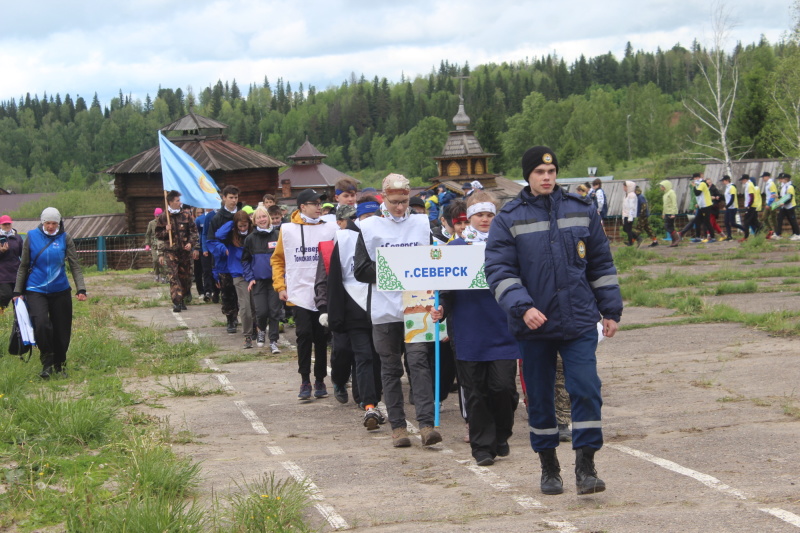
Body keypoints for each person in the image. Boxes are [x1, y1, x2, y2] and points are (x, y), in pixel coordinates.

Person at [485, 146, 622, 496]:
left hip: (578, 322)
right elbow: (499, 272)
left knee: (587, 390)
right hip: (534, 326)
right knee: (541, 399)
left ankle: (586, 467)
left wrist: (611, 310)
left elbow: (601, 265)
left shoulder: (582, 210)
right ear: (527, 177)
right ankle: (549, 467)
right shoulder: (509, 218)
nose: (546, 177)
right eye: (539, 173)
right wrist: (522, 307)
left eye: (551, 172)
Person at [431, 191, 520, 466]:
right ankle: (482, 447)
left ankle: (501, 433)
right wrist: (442, 308)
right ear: (469, 217)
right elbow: (445, 288)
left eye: (490, 215)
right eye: (480, 215)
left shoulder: (507, 246)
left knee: (503, 388)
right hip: (468, 329)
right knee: (475, 392)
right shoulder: (455, 248)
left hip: (502, 327)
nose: (485, 219)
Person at [354, 173, 442, 448]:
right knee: (390, 369)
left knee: (418, 364)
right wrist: (394, 268)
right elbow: (360, 270)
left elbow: (433, 258)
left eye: (404, 201)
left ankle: (427, 424)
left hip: (416, 306)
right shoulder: (369, 228)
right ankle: (399, 427)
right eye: (394, 202)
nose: (400, 207)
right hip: (385, 309)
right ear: (384, 198)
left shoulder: (420, 224)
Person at [314, 204, 385, 429]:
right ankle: (369, 404)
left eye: (373, 216)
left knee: (378, 358)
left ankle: (374, 396)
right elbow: (334, 278)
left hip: (381, 307)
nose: (367, 221)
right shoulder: (343, 241)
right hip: (353, 310)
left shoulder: (385, 237)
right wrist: (331, 311)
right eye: (363, 217)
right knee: (362, 356)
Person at [271, 189, 338, 400]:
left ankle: (320, 379)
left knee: (321, 337)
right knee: (304, 336)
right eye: (314, 203)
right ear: (302, 207)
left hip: (323, 293)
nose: (319, 207)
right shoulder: (288, 230)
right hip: (298, 292)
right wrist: (280, 286)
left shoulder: (331, 227)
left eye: (320, 203)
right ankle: (304, 380)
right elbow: (278, 259)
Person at [13, 207, 87, 378]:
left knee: (62, 330)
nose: (52, 226)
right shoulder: (31, 237)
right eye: (48, 223)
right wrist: (17, 291)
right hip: (35, 289)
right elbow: (23, 266)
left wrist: (80, 288)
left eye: (55, 223)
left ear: (59, 222)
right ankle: (47, 362)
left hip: (60, 289)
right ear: (42, 222)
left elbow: (74, 265)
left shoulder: (65, 238)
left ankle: (60, 365)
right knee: (41, 325)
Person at [242, 205, 283, 353]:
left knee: (274, 311)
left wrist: (284, 278)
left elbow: (284, 258)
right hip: (258, 281)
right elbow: (245, 261)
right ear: (254, 220)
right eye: (258, 217)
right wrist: (250, 277)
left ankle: (273, 341)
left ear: (269, 218)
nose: (262, 219)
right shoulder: (250, 239)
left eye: (264, 216)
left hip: (275, 281)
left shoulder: (278, 235)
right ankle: (260, 331)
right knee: (261, 311)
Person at [216, 210, 256, 348]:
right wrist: (231, 224)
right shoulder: (230, 235)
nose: (243, 229)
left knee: (255, 306)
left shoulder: (253, 234)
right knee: (245, 307)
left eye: (245, 225)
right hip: (239, 274)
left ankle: (257, 329)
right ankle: (248, 336)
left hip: (254, 273)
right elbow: (218, 235)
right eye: (240, 226)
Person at [156, 191, 199, 313]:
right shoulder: (164, 217)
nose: (179, 203)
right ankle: (176, 301)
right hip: (171, 252)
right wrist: (165, 230)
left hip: (185, 252)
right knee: (173, 277)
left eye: (179, 200)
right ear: (170, 202)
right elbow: (158, 235)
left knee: (185, 277)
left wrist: (190, 243)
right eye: (177, 200)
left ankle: (183, 297)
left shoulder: (186, 216)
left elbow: (194, 232)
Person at [207, 185, 242, 333]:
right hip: (225, 261)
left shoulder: (242, 215)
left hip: (240, 259)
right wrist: (223, 249)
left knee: (241, 290)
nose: (234, 201)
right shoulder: (217, 218)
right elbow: (211, 240)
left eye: (236, 197)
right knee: (227, 291)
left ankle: (243, 316)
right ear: (224, 198)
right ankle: (230, 319)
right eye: (231, 198)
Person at [0, 215, 23, 311]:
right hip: (2, 273)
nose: (6, 225)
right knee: (6, 294)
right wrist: (1, 251)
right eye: (4, 224)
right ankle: (1, 310)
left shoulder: (17, 237)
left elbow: (22, 253)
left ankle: (18, 321)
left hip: (16, 271)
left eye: (8, 223)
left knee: (18, 298)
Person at [772, 173, 800, 240]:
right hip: (784, 207)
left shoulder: (790, 187)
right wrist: (778, 197)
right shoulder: (784, 186)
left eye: (781, 179)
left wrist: (783, 203)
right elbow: (784, 197)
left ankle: (797, 234)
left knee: (792, 220)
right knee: (779, 219)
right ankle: (778, 234)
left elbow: (789, 198)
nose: (780, 180)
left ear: (785, 179)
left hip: (790, 206)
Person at [720, 176, 744, 241]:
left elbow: (732, 198)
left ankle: (744, 229)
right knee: (726, 222)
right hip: (729, 207)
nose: (723, 182)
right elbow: (726, 198)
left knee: (732, 223)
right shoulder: (727, 188)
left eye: (723, 180)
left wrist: (727, 206)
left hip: (733, 207)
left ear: (727, 180)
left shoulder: (732, 187)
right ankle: (729, 236)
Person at [739, 174, 762, 241]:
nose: (742, 182)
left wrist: (749, 205)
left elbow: (751, 196)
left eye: (742, 180)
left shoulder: (749, 185)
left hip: (751, 206)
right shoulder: (748, 185)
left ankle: (746, 237)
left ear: (745, 179)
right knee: (754, 221)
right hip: (752, 205)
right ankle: (761, 232)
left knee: (746, 221)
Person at [144, 208, 164, 283]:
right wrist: (147, 244)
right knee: (155, 260)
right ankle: (156, 274)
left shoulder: (164, 223)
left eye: (159, 215)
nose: (158, 217)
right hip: (154, 245)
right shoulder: (151, 223)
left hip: (162, 245)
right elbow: (148, 234)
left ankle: (163, 276)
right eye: (156, 216)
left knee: (162, 261)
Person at [659, 180, 681, 247]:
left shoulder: (671, 192)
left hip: (671, 212)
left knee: (668, 226)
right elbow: (665, 205)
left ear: (666, 186)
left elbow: (674, 203)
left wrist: (673, 213)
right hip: (667, 212)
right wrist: (663, 213)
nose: (661, 187)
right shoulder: (665, 193)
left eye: (662, 186)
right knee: (669, 226)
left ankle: (677, 238)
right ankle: (674, 241)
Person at [622, 181, 641, 247]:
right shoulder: (626, 195)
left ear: (629, 187)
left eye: (625, 186)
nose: (624, 188)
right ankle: (637, 238)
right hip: (626, 214)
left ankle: (631, 242)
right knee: (625, 229)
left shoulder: (632, 195)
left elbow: (632, 207)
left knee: (628, 229)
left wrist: (630, 217)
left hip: (629, 215)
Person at [761, 172, 779, 239]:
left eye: (763, 177)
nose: (763, 178)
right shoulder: (768, 184)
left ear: (767, 176)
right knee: (764, 218)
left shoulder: (771, 184)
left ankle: (777, 232)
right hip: (769, 203)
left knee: (773, 218)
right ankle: (771, 231)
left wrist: (768, 204)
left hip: (772, 203)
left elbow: (773, 195)